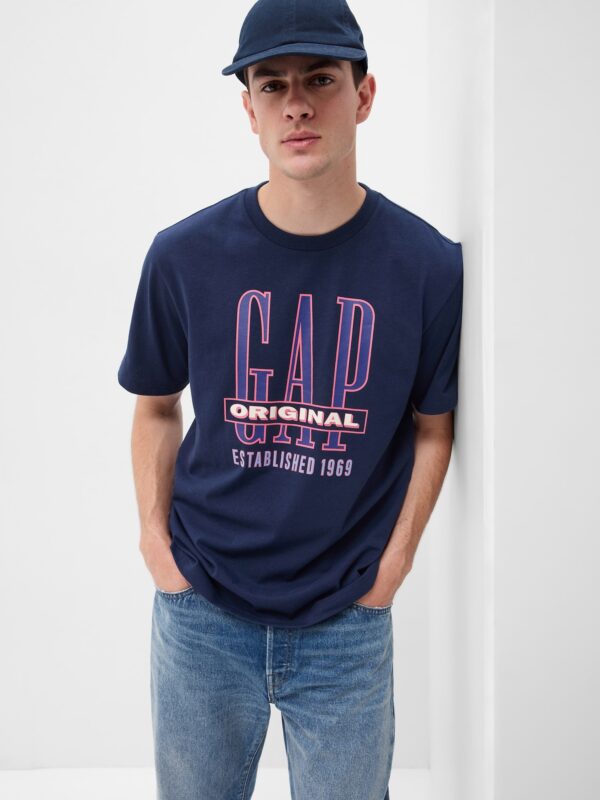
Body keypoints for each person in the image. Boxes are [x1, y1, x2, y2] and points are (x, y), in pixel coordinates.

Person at [117, 0, 464, 797]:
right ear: (249, 110)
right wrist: (156, 546)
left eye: (320, 79)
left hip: (347, 622)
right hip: (202, 610)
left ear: (363, 95)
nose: (296, 104)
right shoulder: (183, 256)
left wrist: (393, 567)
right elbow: (156, 405)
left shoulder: (427, 266)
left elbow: (434, 427)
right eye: (272, 85)